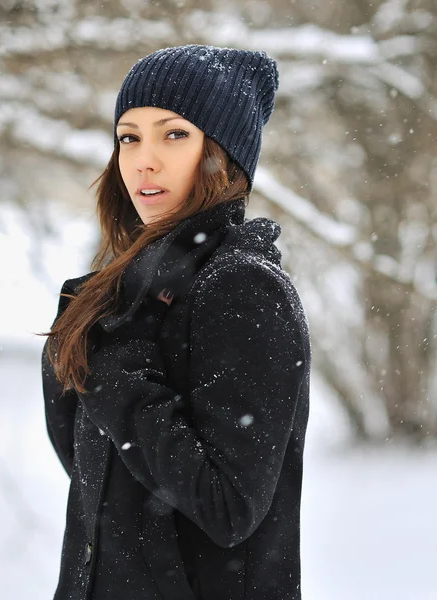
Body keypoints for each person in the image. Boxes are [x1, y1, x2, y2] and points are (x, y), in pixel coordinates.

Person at [40, 45, 311, 600]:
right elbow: (97, 475)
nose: (143, 159)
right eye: (129, 137)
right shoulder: (135, 289)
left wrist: (112, 365)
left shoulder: (242, 287)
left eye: (174, 134)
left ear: (222, 153)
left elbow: (227, 508)